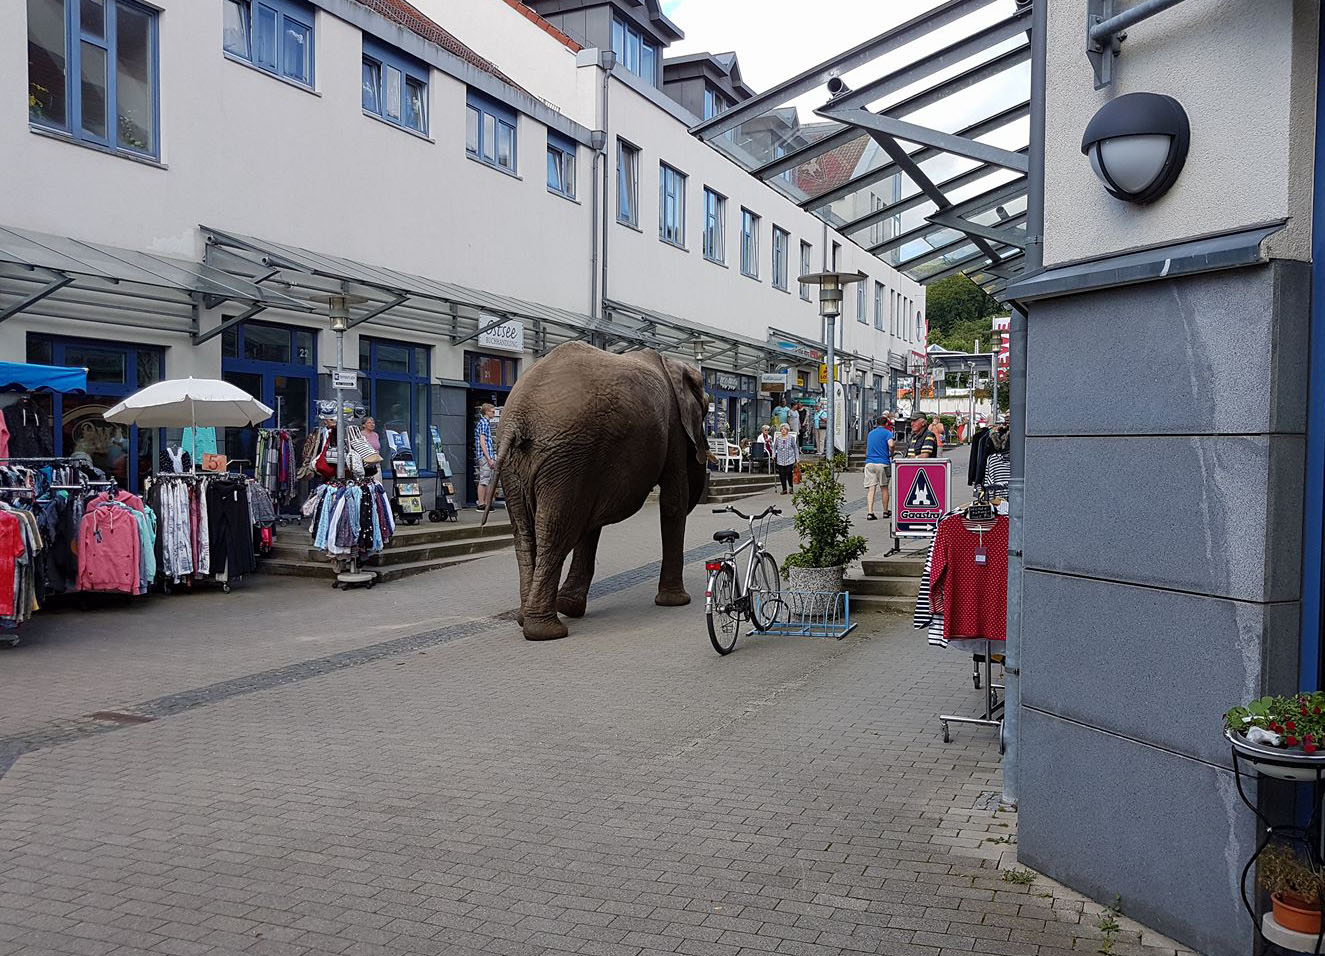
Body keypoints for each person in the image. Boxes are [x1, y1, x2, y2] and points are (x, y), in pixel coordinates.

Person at [863, 416, 894, 520]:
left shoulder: (870, 434)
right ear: (885, 424)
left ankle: (870, 512)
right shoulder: (887, 433)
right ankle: (885, 511)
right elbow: (891, 444)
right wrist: (892, 451)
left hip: (869, 463)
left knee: (871, 489)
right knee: (884, 487)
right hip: (883, 463)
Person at [474, 403, 498, 508]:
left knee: (487, 479)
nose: (494, 413)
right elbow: (482, 441)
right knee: (484, 479)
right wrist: (488, 458)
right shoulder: (484, 423)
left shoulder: (485, 423)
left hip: (487, 456)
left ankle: (486, 503)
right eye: (492, 411)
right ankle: (481, 503)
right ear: (486, 412)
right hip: (485, 456)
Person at [772, 422, 799, 494]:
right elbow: (774, 448)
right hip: (780, 459)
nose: (783, 430)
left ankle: (791, 487)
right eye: (782, 429)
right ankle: (784, 489)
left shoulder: (791, 438)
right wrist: (773, 454)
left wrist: (797, 458)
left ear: (787, 430)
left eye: (785, 429)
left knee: (789, 472)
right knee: (782, 474)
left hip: (790, 459)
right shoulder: (778, 439)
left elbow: (795, 448)